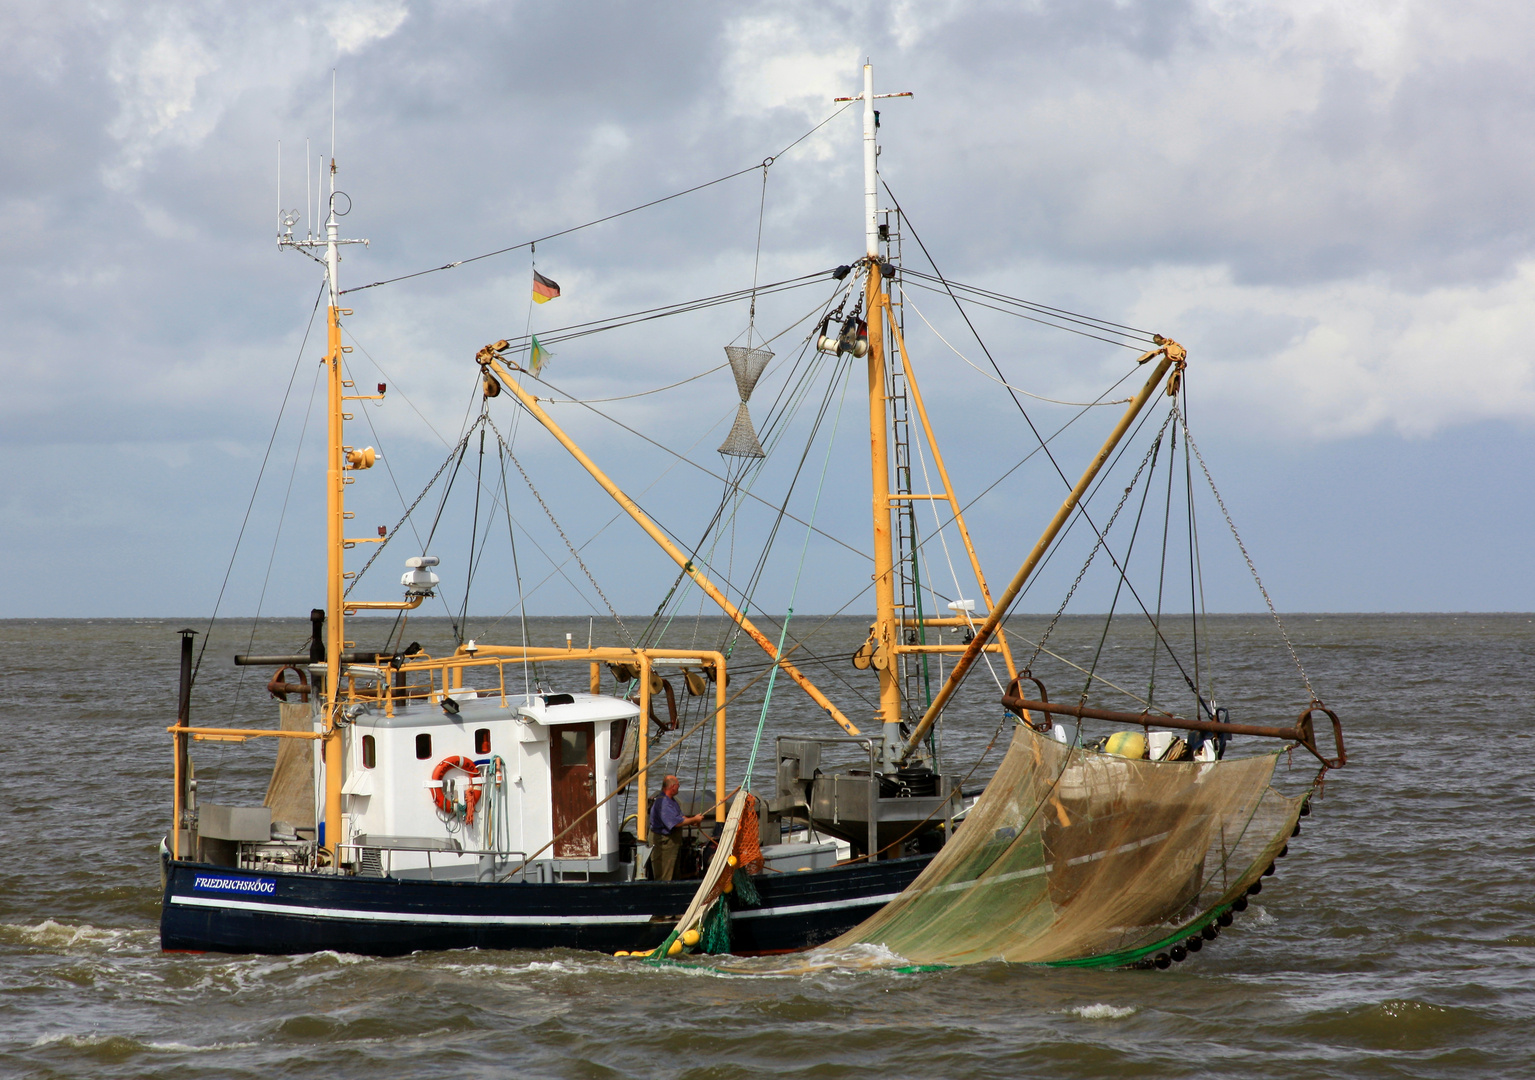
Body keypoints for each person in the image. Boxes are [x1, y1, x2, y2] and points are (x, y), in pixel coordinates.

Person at [648, 774, 704, 881]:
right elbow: (675, 823)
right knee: (665, 875)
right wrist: (694, 819)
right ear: (672, 786)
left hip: (671, 843)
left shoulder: (671, 801)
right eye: (678, 785)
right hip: (664, 844)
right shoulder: (663, 803)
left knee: (674, 872)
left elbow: (680, 817)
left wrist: (691, 821)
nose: (679, 787)